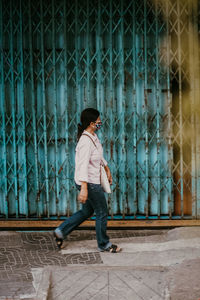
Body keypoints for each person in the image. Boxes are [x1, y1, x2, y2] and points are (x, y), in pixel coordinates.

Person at [54, 108, 121, 253]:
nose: (100, 123)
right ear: (91, 123)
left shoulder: (93, 137)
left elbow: (97, 155)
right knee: (102, 212)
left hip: (91, 181)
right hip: (89, 183)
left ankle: (61, 231)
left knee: (87, 211)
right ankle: (104, 244)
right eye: (98, 122)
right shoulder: (85, 141)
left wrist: (107, 168)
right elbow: (82, 165)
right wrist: (84, 188)